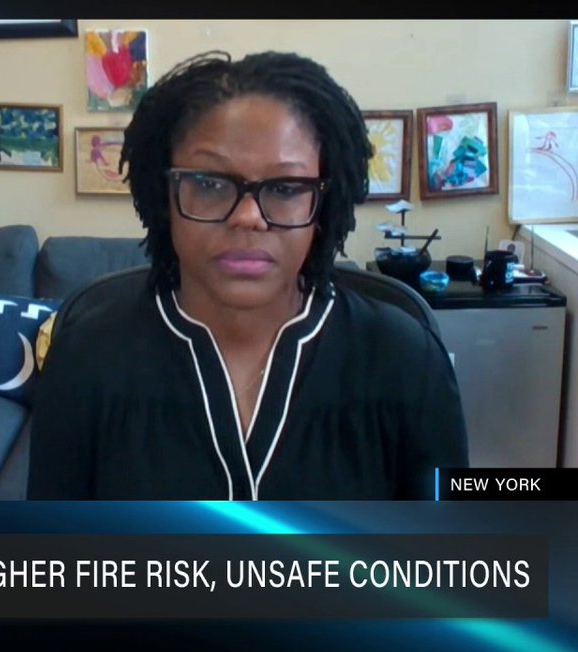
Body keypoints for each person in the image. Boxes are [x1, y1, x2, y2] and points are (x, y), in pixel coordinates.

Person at [27, 51, 468, 500]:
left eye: (285, 188)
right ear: (163, 196)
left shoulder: (405, 360)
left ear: (323, 206)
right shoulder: (87, 356)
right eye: (209, 184)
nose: (248, 217)